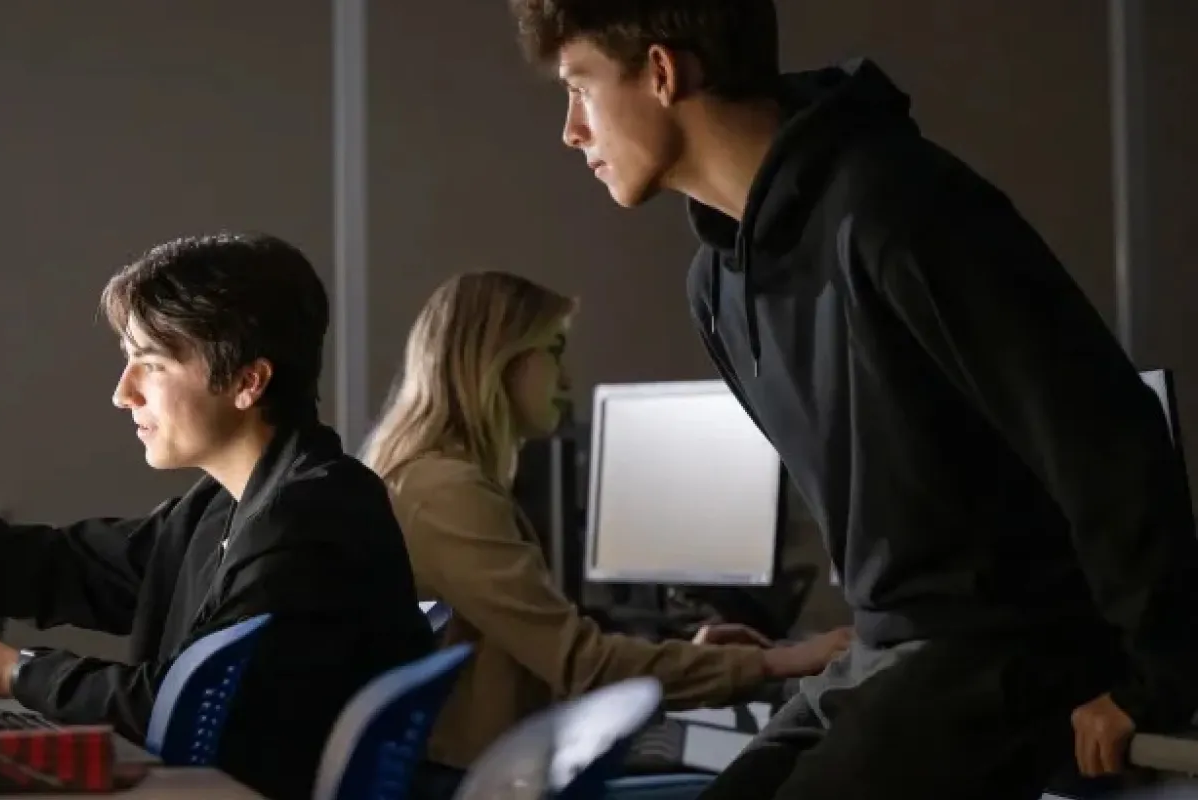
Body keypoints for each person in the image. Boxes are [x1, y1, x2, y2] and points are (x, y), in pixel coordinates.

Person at [507, 1, 1198, 797]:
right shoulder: (719, 286)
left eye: (580, 88)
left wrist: (1156, 676)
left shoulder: (900, 208)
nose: (571, 130)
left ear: (662, 72)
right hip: (889, 651)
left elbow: (1106, 437)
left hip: (1008, 651)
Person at [0, 232, 435, 800]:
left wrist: (16, 671)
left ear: (249, 381)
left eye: (150, 364)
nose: (121, 393)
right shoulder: (231, 503)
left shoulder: (312, 517)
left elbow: (178, 707)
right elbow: (71, 565)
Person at [361, 271, 852, 791]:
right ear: (499, 362)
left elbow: (551, 664)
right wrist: (777, 662)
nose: (567, 380)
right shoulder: (447, 494)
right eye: (554, 351)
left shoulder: (432, 480)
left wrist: (700, 656)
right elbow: (580, 664)